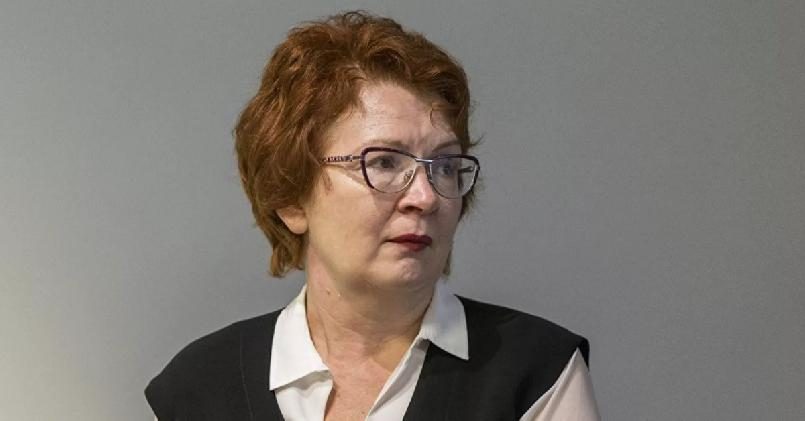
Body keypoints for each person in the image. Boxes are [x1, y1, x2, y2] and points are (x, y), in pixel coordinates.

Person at [146, 10, 600, 421]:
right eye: (383, 162)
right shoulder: (197, 391)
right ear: (291, 198)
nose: (425, 197)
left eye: (444, 166)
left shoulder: (535, 375)